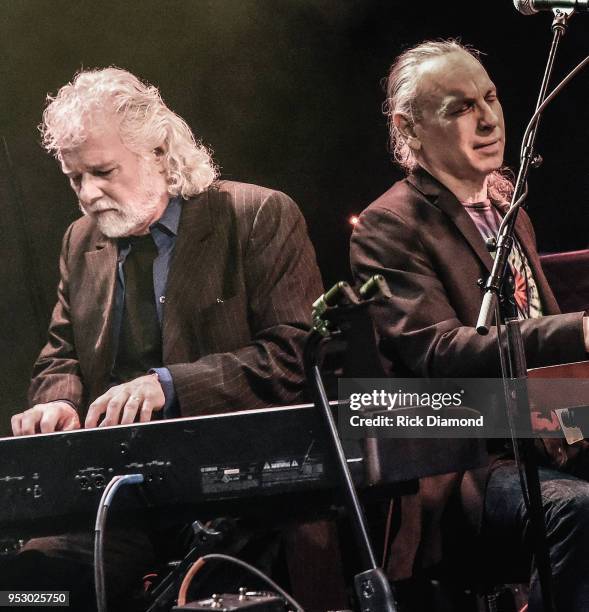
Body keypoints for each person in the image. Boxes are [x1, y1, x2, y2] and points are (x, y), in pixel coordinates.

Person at [6, 67, 323, 609]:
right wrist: (58, 400)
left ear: (157, 149)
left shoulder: (257, 215)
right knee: (27, 591)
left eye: (102, 171)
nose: (87, 193)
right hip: (118, 496)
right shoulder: (80, 241)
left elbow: (291, 356)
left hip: (240, 499)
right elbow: (60, 356)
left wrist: (169, 386)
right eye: (74, 177)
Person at [350, 40, 589, 611]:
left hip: (551, 435)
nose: (487, 119)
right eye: (459, 108)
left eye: (491, 98)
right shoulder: (389, 225)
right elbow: (440, 352)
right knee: (579, 509)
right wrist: (579, 332)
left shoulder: (510, 211)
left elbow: (546, 356)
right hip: (472, 466)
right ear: (409, 129)